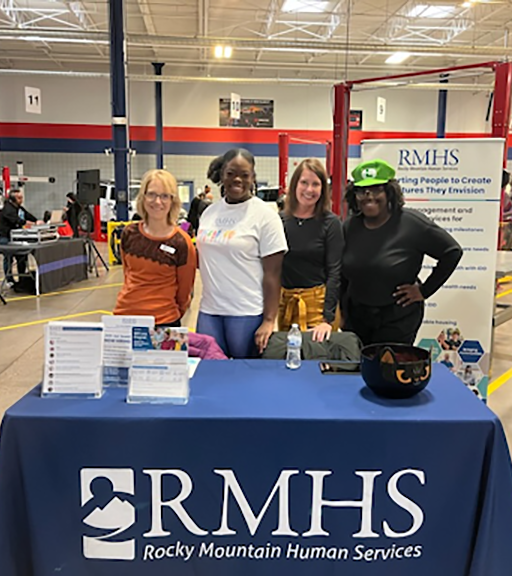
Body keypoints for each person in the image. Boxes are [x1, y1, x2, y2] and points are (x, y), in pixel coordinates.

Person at [340, 159, 463, 346]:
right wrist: (341, 311)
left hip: (397, 320)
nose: (368, 196)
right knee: (357, 370)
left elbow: (452, 252)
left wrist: (424, 290)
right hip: (357, 318)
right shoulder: (349, 226)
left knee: (389, 371)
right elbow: (342, 274)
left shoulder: (412, 224)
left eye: (376, 189)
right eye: (362, 191)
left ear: (389, 192)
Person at [196, 148, 288, 358]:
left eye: (244, 175)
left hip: (246, 313)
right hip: (210, 310)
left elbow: (273, 274)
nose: (237, 179)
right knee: (210, 376)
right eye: (230, 173)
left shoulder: (266, 216)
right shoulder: (209, 213)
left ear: (253, 177)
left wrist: (268, 320)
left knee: (245, 377)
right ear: (222, 175)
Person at [113, 169, 197, 327]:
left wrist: (168, 315)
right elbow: (128, 274)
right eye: (151, 194)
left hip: (164, 321)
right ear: (143, 197)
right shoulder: (129, 234)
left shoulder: (181, 242)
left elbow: (184, 293)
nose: (157, 202)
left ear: (173, 200)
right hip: (123, 318)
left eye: (165, 196)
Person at [278, 158, 342, 342]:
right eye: (304, 182)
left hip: (318, 307)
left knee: (315, 362)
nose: (309, 190)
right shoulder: (279, 221)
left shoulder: (331, 223)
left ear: (323, 189)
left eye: (316, 184)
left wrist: (327, 319)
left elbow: (335, 272)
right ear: (294, 184)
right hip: (286, 304)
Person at [0, 188, 40, 285]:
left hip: (16, 237)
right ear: (13, 199)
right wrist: (27, 223)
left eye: (21, 197)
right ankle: (9, 280)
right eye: (19, 198)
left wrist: (36, 221)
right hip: (5, 236)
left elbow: (27, 215)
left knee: (21, 257)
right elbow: (16, 220)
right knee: (8, 258)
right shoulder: (7, 209)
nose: (21, 200)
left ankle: (22, 278)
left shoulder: (19, 208)